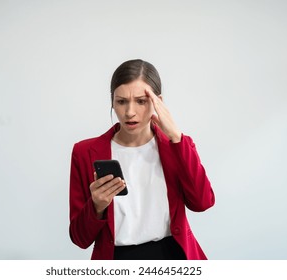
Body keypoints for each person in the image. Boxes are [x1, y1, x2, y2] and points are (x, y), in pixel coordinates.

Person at [69, 59, 215, 260]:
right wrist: (96, 206)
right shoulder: (84, 152)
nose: (130, 112)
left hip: (173, 257)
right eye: (121, 101)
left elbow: (203, 202)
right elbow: (79, 239)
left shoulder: (178, 146)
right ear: (112, 101)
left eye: (141, 101)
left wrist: (177, 139)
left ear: (158, 102)